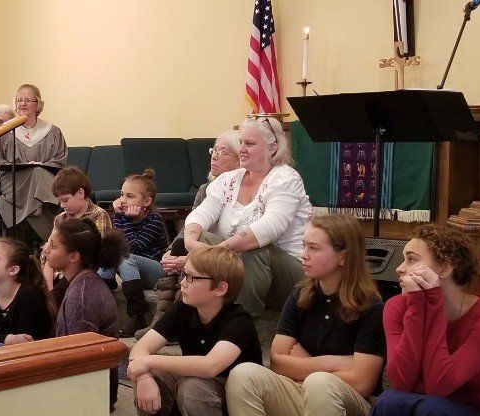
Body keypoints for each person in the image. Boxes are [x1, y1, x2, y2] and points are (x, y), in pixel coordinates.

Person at [225, 214, 386, 416]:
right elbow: (277, 362)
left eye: (314, 248)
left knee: (319, 384)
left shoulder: (370, 306)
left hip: (353, 401)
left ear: (343, 256)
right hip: (304, 390)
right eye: (304, 246)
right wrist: (333, 362)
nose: (304, 255)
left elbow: (362, 383)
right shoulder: (300, 295)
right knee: (243, 374)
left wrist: (306, 366)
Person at [372, 225, 480, 416]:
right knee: (388, 401)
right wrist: (418, 307)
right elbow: (401, 382)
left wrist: (433, 302)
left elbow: (440, 385)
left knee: (431, 408)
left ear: (444, 268)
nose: (399, 269)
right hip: (428, 405)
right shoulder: (396, 307)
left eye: (411, 259)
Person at [183, 117, 311, 318]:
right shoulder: (229, 179)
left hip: (290, 275)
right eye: (241, 142)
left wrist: (218, 252)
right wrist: (190, 240)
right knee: (203, 236)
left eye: (249, 144)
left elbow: (269, 228)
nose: (242, 148)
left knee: (255, 249)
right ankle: (193, 317)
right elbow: (202, 213)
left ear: (273, 147)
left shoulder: (286, 178)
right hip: (239, 265)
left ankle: (241, 321)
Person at [128, 246, 262, 416]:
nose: (182, 282)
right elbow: (140, 349)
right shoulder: (182, 309)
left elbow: (210, 366)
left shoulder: (239, 320)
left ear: (220, 288)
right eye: (183, 274)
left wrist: (149, 361)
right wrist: (144, 376)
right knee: (143, 371)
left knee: (193, 389)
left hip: (232, 396)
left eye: (191, 277)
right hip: (196, 382)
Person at [144, 131, 241, 337]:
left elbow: (234, 243)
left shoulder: (244, 191)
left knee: (187, 268)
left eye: (223, 152)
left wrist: (187, 259)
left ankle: (169, 327)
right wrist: (170, 253)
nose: (214, 156)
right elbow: (188, 229)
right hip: (197, 251)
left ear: (240, 161)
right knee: (178, 247)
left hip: (223, 256)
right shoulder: (205, 189)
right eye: (214, 150)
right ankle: (160, 323)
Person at [43, 218, 128, 410]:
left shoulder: (82, 296)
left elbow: (81, 360)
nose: (46, 249)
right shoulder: (80, 283)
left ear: (73, 257)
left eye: (53, 246)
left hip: (91, 396)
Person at [0, 84, 67, 243]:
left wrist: (40, 165)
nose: (22, 104)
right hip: (13, 181)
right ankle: (56, 236)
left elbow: (59, 159)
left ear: (38, 105)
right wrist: (27, 167)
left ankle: (34, 243)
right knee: (37, 173)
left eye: (27, 100)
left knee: (37, 174)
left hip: (41, 182)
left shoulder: (52, 131)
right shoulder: (4, 131)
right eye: (19, 100)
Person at [101, 169, 169, 336]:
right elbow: (115, 245)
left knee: (124, 256)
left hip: (157, 274)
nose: (122, 200)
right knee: (112, 255)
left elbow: (134, 247)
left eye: (130, 196)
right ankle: (102, 293)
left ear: (146, 202)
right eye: (121, 195)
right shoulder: (123, 216)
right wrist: (121, 218)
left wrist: (121, 219)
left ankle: (137, 315)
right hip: (132, 275)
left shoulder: (155, 220)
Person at [43, 166, 112, 307]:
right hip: (59, 275)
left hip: (85, 274)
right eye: (59, 201)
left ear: (80, 193)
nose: (62, 205)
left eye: (66, 200)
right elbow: (47, 252)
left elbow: (93, 254)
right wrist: (48, 285)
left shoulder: (99, 215)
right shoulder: (60, 219)